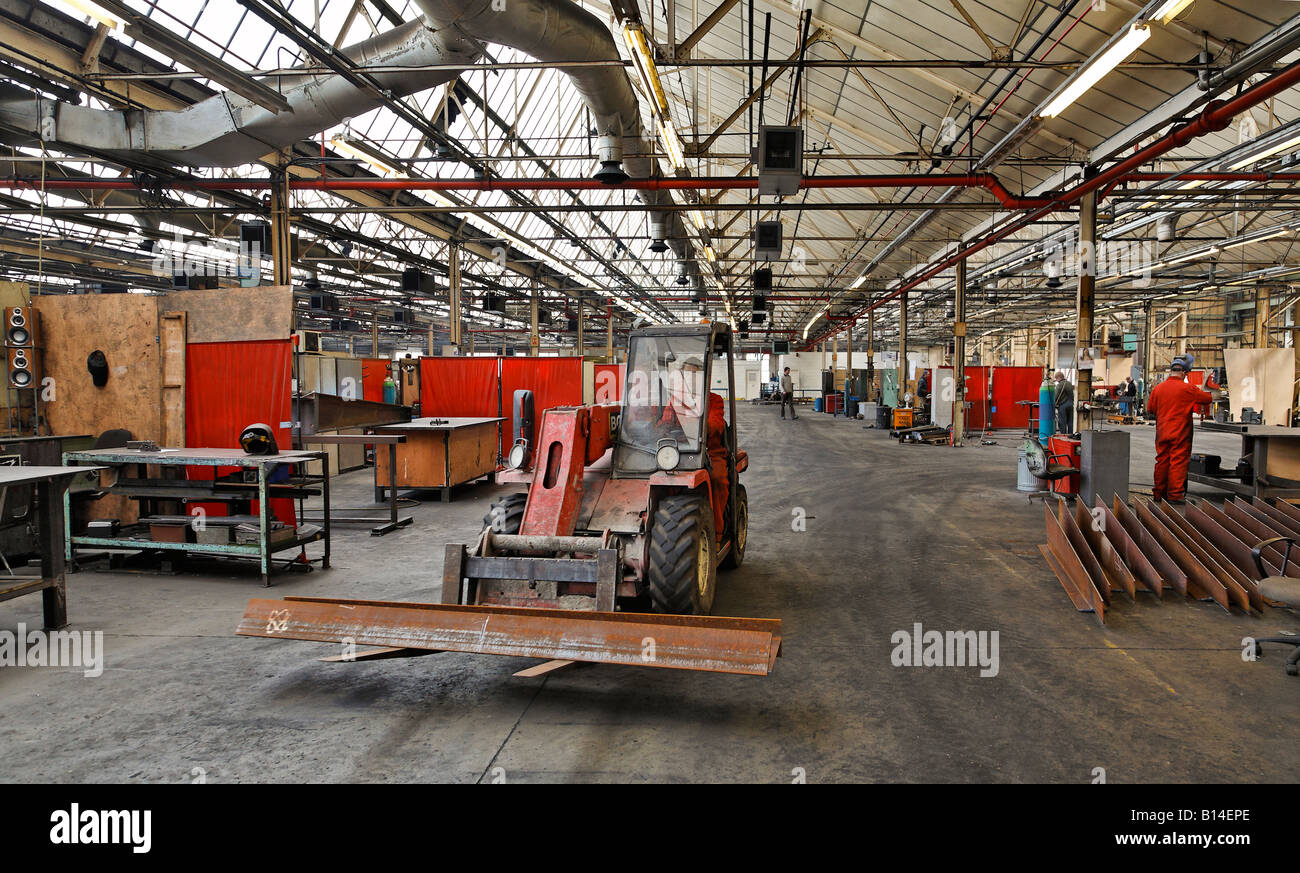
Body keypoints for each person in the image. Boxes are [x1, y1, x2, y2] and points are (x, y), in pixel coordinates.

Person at [1147, 359, 1214, 504]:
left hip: (1162, 431)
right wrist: (1207, 383)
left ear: (1171, 371)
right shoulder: (1187, 389)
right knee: (1178, 461)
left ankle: (1159, 494)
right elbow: (1208, 398)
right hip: (1180, 432)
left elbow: (1150, 409)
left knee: (1162, 461)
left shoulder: (1158, 388)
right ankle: (1175, 495)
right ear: (1184, 373)